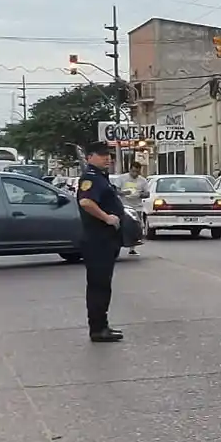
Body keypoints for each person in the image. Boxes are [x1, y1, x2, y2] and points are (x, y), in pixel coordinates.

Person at [77, 141, 127, 342]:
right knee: (99, 286)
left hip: (106, 240)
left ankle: (101, 325)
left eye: (108, 155)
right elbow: (86, 201)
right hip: (98, 240)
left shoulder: (100, 177)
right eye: (101, 154)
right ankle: (98, 329)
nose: (107, 158)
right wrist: (107, 217)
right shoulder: (90, 178)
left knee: (103, 286)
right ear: (89, 157)